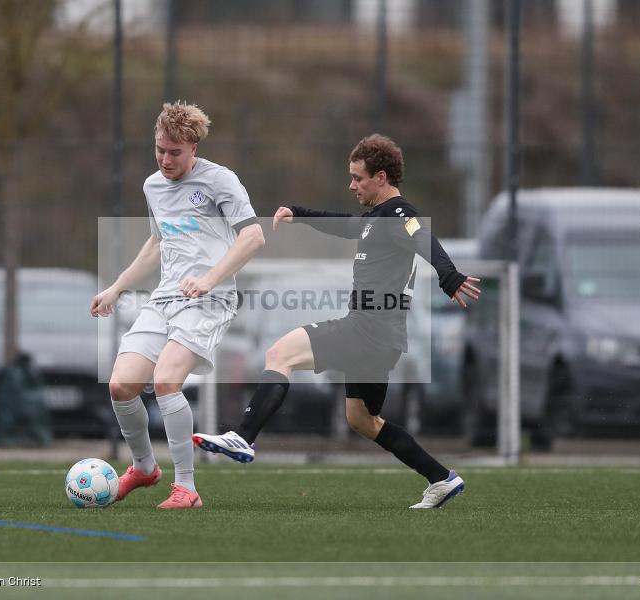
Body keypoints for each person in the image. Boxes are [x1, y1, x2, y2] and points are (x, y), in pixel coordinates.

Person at [193, 134, 481, 509]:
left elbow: (422, 236)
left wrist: (449, 276)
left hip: (368, 329)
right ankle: (441, 478)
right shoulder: (374, 220)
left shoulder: (399, 215)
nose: (351, 185)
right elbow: (343, 224)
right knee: (362, 419)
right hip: (384, 340)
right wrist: (300, 213)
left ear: (381, 177)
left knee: (280, 354)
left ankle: (244, 436)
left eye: (358, 178)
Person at [91, 101, 264, 509]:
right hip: (165, 297)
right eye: (160, 150)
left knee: (168, 380)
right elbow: (157, 243)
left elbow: (253, 236)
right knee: (121, 385)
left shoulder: (221, 181)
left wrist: (209, 278)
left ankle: (186, 487)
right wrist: (117, 287)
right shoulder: (152, 186)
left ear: (194, 148)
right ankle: (144, 468)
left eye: (175, 153)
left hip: (210, 299)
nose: (166, 160)